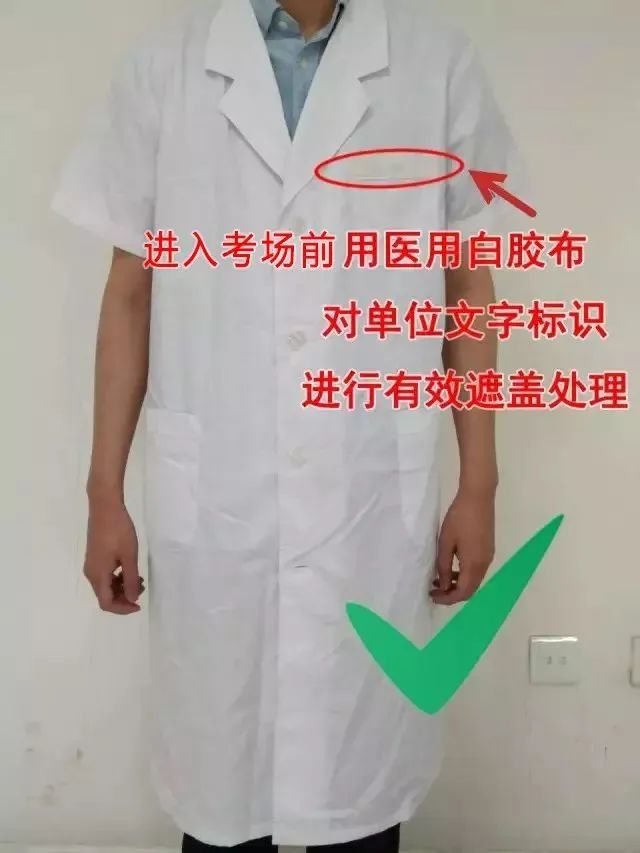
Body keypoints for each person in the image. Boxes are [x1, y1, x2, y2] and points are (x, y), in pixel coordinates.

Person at [52, 0, 522, 849]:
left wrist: (479, 483)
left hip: (367, 494)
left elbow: (466, 286)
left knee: (360, 805)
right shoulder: (165, 69)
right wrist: (103, 493)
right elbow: (129, 292)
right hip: (222, 501)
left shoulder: (437, 65)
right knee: (221, 797)